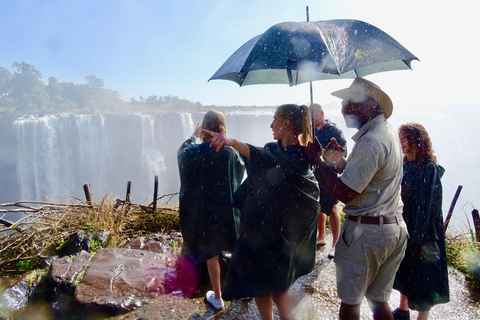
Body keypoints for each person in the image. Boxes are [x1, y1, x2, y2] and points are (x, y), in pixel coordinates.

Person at [204, 104, 320, 320]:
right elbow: (261, 159)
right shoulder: (273, 149)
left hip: (284, 235)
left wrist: (231, 142)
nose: (270, 125)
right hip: (261, 229)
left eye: (275, 120)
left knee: (278, 291)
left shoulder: (303, 157)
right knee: (258, 283)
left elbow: (262, 157)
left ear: (286, 124)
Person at [306, 77, 408, 320]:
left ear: (372, 105)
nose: (344, 108)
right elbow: (367, 178)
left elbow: (344, 192)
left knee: (350, 306)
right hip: (391, 228)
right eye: (344, 102)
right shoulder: (386, 132)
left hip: (367, 235)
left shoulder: (371, 142)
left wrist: (317, 162)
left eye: (352, 102)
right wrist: (334, 160)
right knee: (379, 302)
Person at [177, 110, 245, 310]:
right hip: (230, 213)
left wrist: (193, 136)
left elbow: (183, 155)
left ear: (205, 127)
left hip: (208, 214)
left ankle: (217, 297)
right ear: (223, 127)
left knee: (212, 255)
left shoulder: (198, 152)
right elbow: (240, 170)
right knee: (237, 251)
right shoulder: (231, 152)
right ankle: (244, 290)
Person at [392, 123, 450, 320]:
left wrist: (416, 238)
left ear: (416, 140)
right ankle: (403, 310)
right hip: (406, 224)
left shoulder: (429, 168)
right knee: (405, 271)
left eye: (404, 139)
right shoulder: (404, 164)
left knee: (425, 278)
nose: (400, 143)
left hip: (424, 232)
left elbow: (426, 206)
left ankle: (422, 317)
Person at [310, 103, 347, 258]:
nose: (312, 119)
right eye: (310, 116)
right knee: (317, 206)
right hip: (314, 173)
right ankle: (321, 236)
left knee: (332, 208)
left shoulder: (335, 131)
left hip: (331, 174)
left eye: (315, 115)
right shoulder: (309, 132)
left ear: (322, 113)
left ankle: (336, 243)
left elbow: (341, 155)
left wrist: (324, 153)